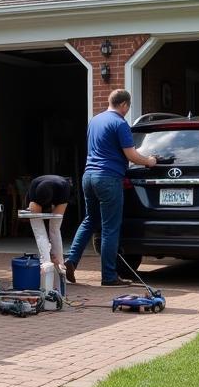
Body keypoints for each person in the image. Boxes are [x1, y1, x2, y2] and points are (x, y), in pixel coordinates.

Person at [65, 88, 157, 287]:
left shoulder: (94, 121)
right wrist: (149, 161)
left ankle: (72, 260)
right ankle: (108, 276)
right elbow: (131, 155)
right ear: (124, 105)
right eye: (127, 107)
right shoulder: (120, 123)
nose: (127, 110)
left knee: (90, 220)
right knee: (110, 228)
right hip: (108, 178)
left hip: (88, 177)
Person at [23, 175, 71, 289]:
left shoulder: (64, 188)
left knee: (46, 230)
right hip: (41, 195)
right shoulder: (34, 187)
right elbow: (28, 204)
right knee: (53, 229)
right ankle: (52, 266)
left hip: (59, 193)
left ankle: (51, 266)